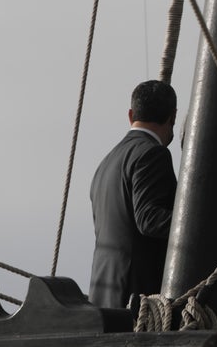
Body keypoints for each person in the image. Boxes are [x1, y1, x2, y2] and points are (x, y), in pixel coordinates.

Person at [89, 79, 178, 308]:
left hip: (103, 297)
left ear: (131, 115)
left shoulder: (105, 164)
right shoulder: (153, 154)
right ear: (173, 117)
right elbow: (148, 219)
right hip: (137, 298)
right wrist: (202, 227)